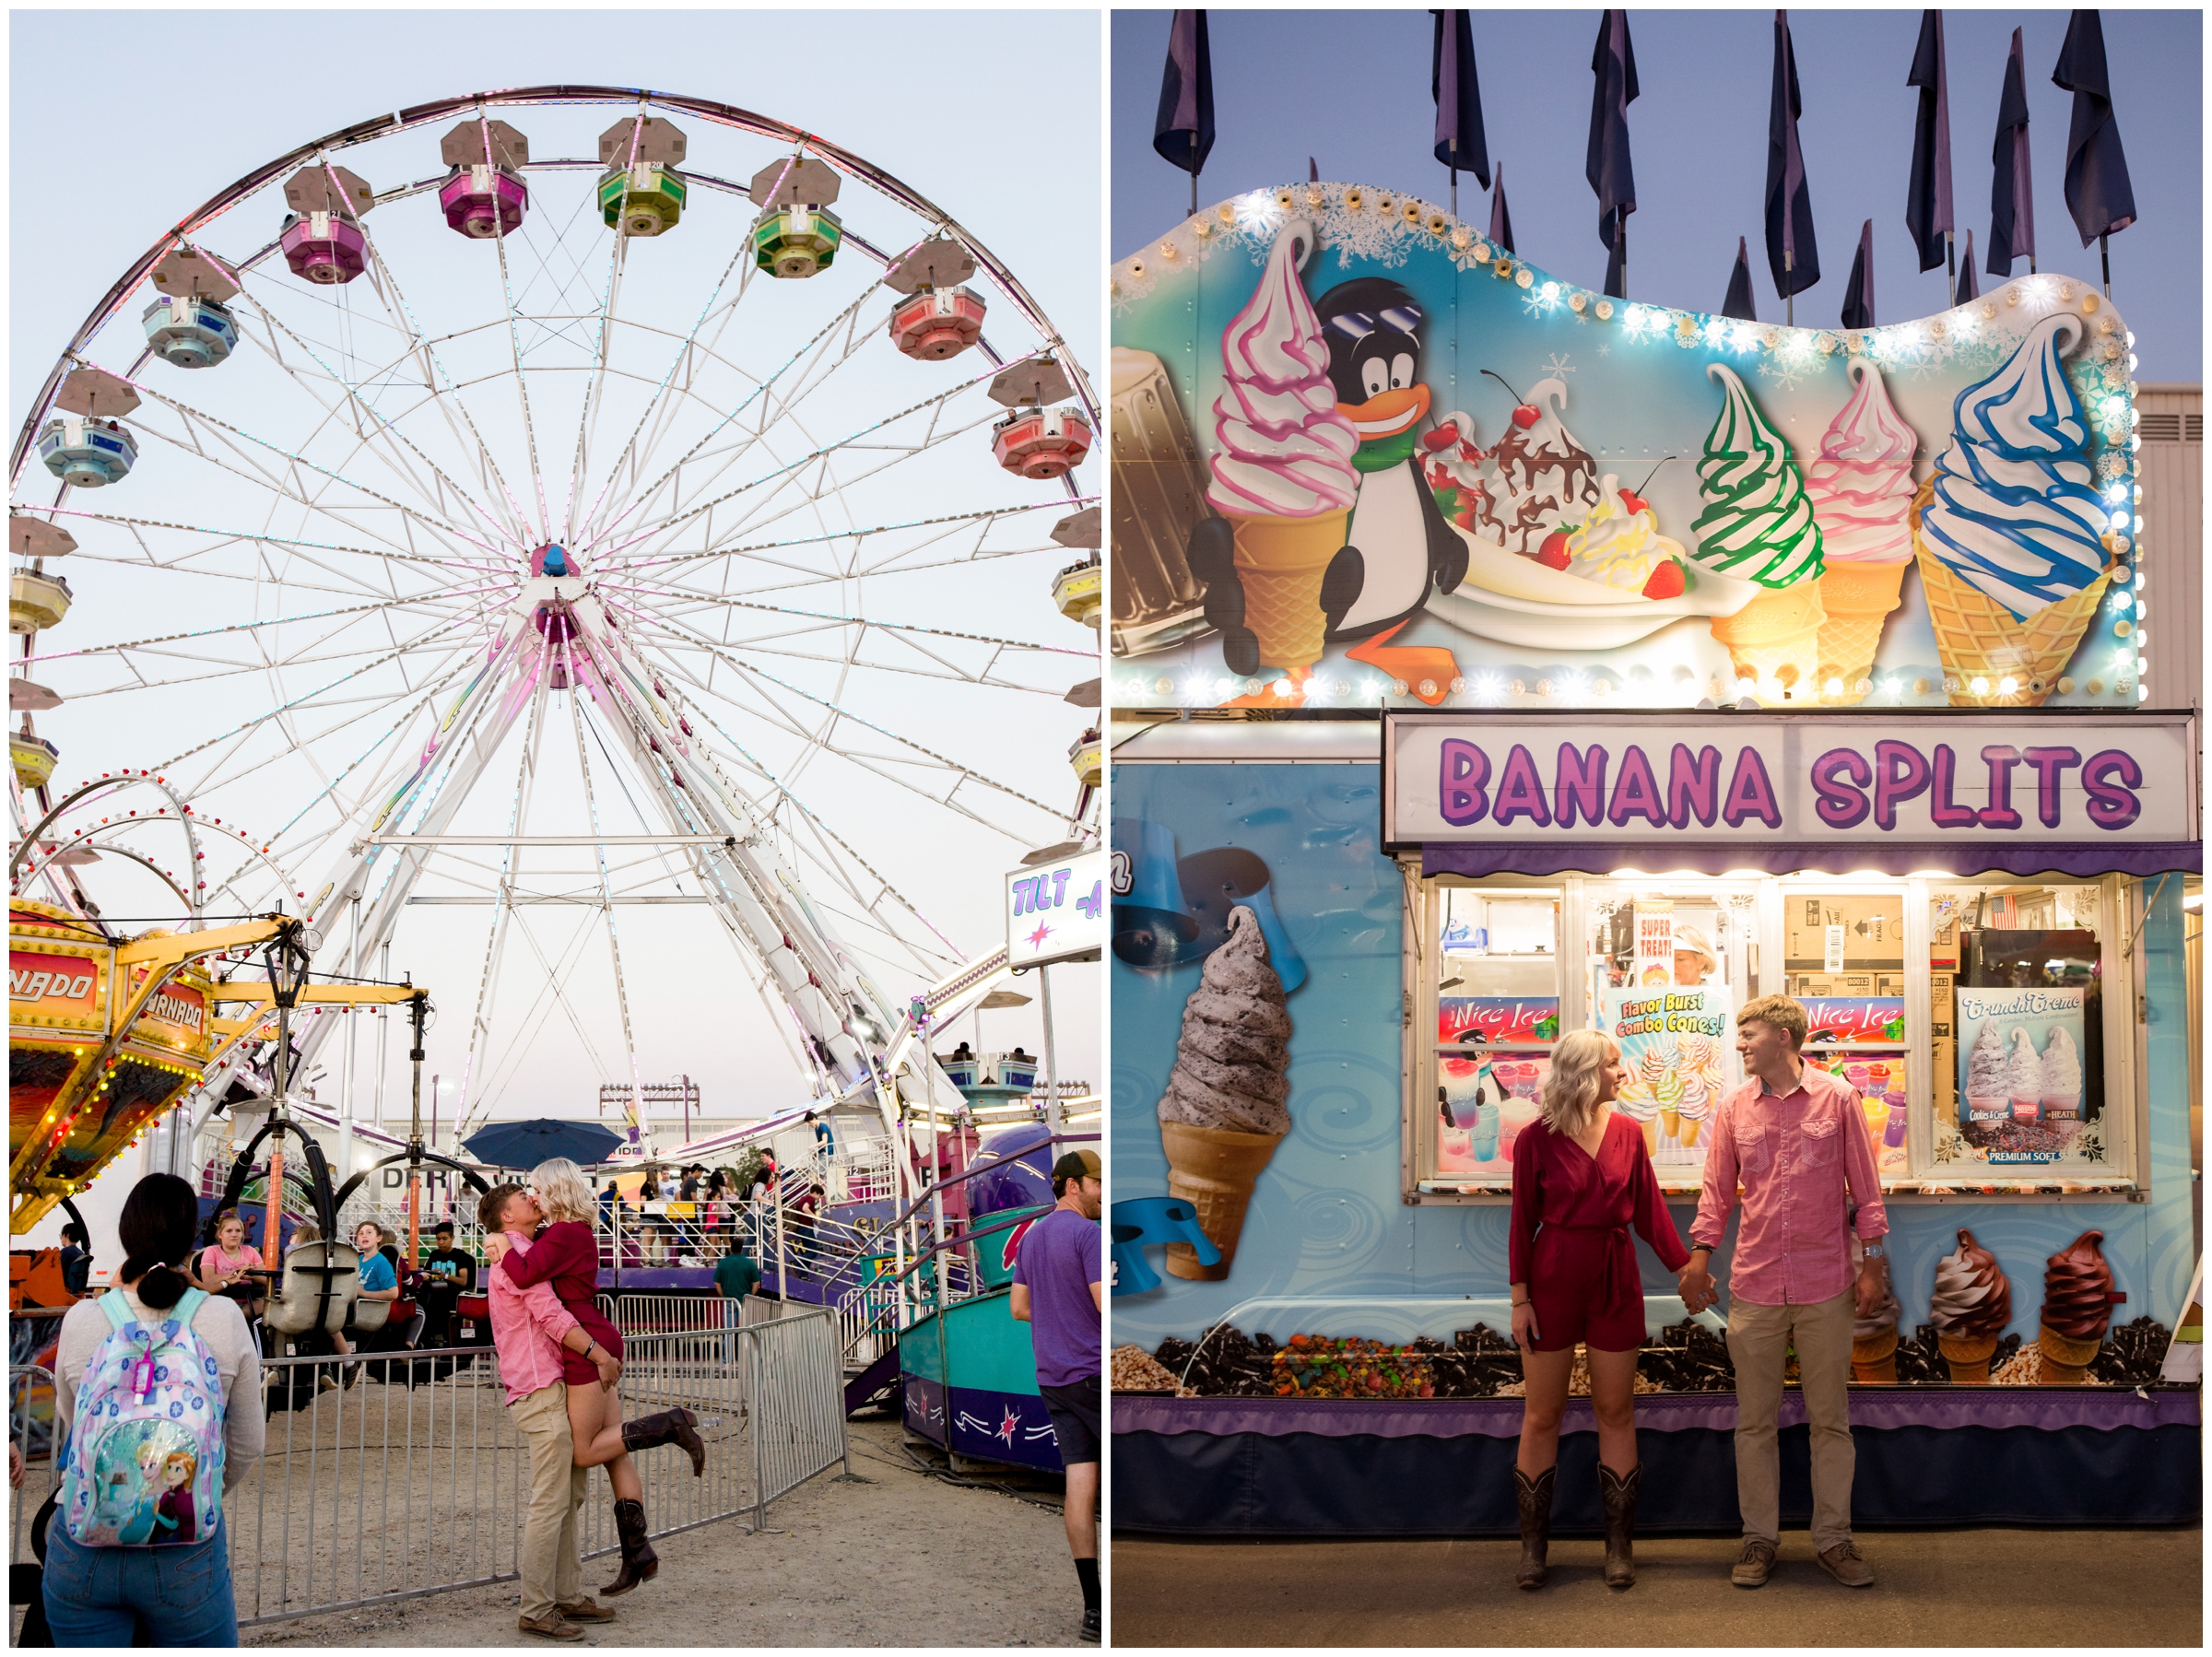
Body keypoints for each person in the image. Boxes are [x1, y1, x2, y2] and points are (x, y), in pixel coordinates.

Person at [1678, 993, 1890, 1592]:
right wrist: (1698, 1258)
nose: (1741, 1044)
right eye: (1741, 1035)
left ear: (1784, 1036)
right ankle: (1758, 1539)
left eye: (1750, 1034)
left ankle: (1834, 1539)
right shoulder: (1733, 1109)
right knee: (1755, 1422)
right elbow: (1716, 1195)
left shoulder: (1839, 1098)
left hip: (1827, 1282)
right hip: (1755, 1282)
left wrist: (1872, 1266)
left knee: (1831, 1420)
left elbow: (1867, 1196)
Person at [1507, 1028, 1694, 1592]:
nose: (1624, 1074)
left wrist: (1687, 1271)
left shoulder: (1631, 1133)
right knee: (1542, 1415)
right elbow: (1521, 1224)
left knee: (1616, 1410)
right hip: (1553, 1275)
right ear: (1586, 1073)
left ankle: (1618, 1547)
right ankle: (1534, 1551)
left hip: (1616, 1275)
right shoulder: (1535, 1139)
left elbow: (1651, 1217)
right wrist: (1520, 1299)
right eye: (1615, 1065)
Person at [43, 1173, 264, 1645]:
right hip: (183, 1549)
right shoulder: (222, 1319)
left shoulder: (83, 1318)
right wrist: (192, 1488)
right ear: (192, 1238)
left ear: (127, 1233)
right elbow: (248, 1443)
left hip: (83, 1543)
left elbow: (74, 1418)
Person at [491, 1159, 705, 1595]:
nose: (533, 1195)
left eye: (536, 1188)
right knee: (615, 1452)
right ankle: (637, 1553)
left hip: (585, 1344)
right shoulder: (567, 1232)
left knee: (585, 1452)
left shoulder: (566, 1233)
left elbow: (527, 1274)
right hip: (598, 1333)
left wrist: (500, 1243)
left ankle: (669, 1424)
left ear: (554, 1190)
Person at [477, 1181, 622, 1641]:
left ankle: (565, 1594)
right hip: (537, 1388)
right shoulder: (514, 1258)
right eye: (523, 1196)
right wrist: (599, 1354)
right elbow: (551, 1316)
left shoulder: (520, 1249)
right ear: (507, 1215)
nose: (532, 1198)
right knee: (550, 1499)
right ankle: (537, 1607)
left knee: (571, 1494)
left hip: (548, 1384)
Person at [1009, 1149, 1102, 1644]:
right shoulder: (1088, 1235)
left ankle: (1094, 1611)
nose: (1102, 1193)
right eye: (1097, 1183)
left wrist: (1055, 1313)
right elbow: (1103, 1306)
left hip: (1053, 1377)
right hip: (1091, 1372)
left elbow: (1019, 1307)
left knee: (1080, 1485)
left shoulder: (1032, 1238)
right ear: (1073, 1186)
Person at [193, 1210, 265, 1319]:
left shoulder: (250, 1251)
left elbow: (265, 1280)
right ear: (220, 1234)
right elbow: (208, 1281)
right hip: (220, 1302)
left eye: (238, 1231)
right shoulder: (212, 1251)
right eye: (229, 1231)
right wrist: (236, 1273)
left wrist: (250, 1274)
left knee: (270, 1308)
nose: (234, 1234)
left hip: (249, 1301)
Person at [419, 1223, 477, 1347]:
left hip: (451, 1295)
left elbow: (464, 1281)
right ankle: (426, 1340)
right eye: (438, 1239)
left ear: (452, 1238)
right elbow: (426, 1273)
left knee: (437, 1302)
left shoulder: (460, 1256)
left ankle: (439, 1340)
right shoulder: (434, 1255)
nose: (441, 1243)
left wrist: (445, 1276)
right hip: (433, 1295)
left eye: (444, 1239)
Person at [56, 1222, 92, 1298]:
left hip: (64, 1291)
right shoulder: (81, 1254)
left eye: (61, 1235)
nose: (60, 1238)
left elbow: (58, 1274)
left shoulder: (65, 1252)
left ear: (67, 1235)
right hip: (76, 1292)